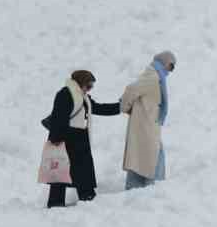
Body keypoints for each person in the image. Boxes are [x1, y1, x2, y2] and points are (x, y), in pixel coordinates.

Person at [43, 69, 121, 209]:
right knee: (61, 173)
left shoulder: (82, 97)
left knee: (83, 172)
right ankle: (55, 204)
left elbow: (98, 108)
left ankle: (87, 198)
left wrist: (121, 106)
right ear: (81, 83)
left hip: (79, 140)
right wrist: (56, 141)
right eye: (89, 86)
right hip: (65, 140)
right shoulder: (65, 94)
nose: (90, 90)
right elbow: (58, 119)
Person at [121, 51, 175, 189]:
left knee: (142, 157)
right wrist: (126, 107)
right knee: (152, 156)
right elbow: (131, 89)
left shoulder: (157, 76)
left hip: (148, 123)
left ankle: (139, 189)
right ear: (164, 62)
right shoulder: (152, 76)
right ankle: (152, 189)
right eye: (171, 65)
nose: (172, 70)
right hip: (145, 124)